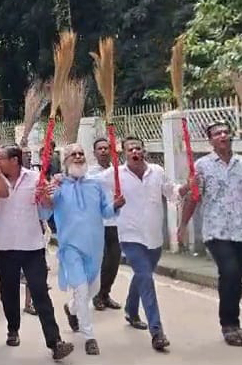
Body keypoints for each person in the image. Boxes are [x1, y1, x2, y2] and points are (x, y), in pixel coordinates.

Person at [0, 145, 74, 360]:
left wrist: (44, 197)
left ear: (14, 160)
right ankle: (13, 328)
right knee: (9, 291)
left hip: (32, 245)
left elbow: (46, 210)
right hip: (5, 245)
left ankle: (55, 342)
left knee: (40, 292)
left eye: (2, 159)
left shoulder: (36, 178)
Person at [39, 143, 123, 356]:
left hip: (95, 247)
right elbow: (44, 212)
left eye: (80, 153)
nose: (77, 157)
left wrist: (116, 205)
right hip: (70, 248)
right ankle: (89, 336)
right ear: (65, 161)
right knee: (82, 289)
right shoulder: (57, 185)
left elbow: (105, 212)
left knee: (92, 289)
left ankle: (73, 309)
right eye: (72, 154)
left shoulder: (95, 185)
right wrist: (46, 196)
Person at [98, 137, 175, 351]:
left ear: (144, 151)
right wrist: (63, 179)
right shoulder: (115, 174)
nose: (135, 151)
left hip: (154, 237)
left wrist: (187, 187)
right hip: (130, 237)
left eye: (138, 148)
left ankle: (131, 311)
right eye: (130, 149)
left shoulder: (157, 171)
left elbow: (172, 192)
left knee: (142, 276)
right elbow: (89, 181)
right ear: (124, 153)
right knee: (146, 278)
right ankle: (157, 331)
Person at [178, 121, 242, 346]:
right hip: (216, 230)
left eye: (225, 132)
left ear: (231, 136)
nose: (222, 136)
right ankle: (227, 325)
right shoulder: (202, 166)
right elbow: (193, 197)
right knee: (228, 271)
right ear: (210, 140)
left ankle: (235, 323)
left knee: (236, 276)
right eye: (216, 133)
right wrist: (182, 225)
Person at [87, 138, 122, 311]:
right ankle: (96, 295)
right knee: (102, 261)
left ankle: (105, 293)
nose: (103, 151)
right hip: (99, 222)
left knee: (114, 261)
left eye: (106, 148)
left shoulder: (120, 171)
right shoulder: (90, 174)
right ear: (94, 153)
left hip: (117, 222)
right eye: (99, 148)